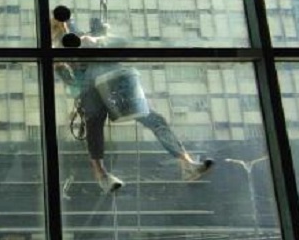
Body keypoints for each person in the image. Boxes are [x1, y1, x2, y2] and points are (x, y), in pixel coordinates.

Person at [53, 13, 213, 193]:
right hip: (95, 90)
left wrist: (95, 41)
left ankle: (186, 163)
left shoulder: (100, 42)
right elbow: (75, 81)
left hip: (116, 85)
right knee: (94, 124)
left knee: (153, 119)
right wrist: (62, 69)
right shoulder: (76, 54)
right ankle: (101, 174)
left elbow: (119, 42)